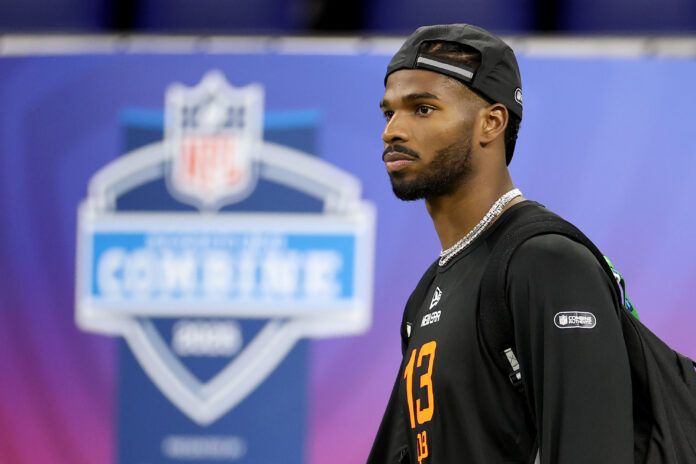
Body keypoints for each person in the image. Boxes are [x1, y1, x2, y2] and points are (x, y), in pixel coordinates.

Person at [367, 24, 633, 464]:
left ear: (491, 123)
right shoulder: (427, 292)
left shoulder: (546, 261)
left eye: (423, 109)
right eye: (388, 113)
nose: (392, 131)